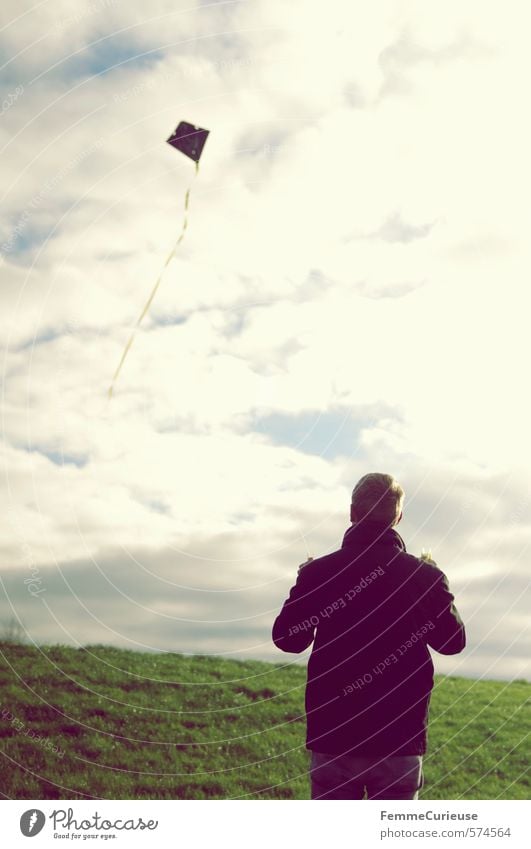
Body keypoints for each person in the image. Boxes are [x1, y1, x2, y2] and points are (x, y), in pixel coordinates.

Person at [272, 472, 466, 800]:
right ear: (398, 518)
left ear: (352, 512)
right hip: (399, 738)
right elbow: (452, 643)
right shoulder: (425, 576)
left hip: (334, 735)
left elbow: (289, 640)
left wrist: (306, 586)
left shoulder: (319, 573)